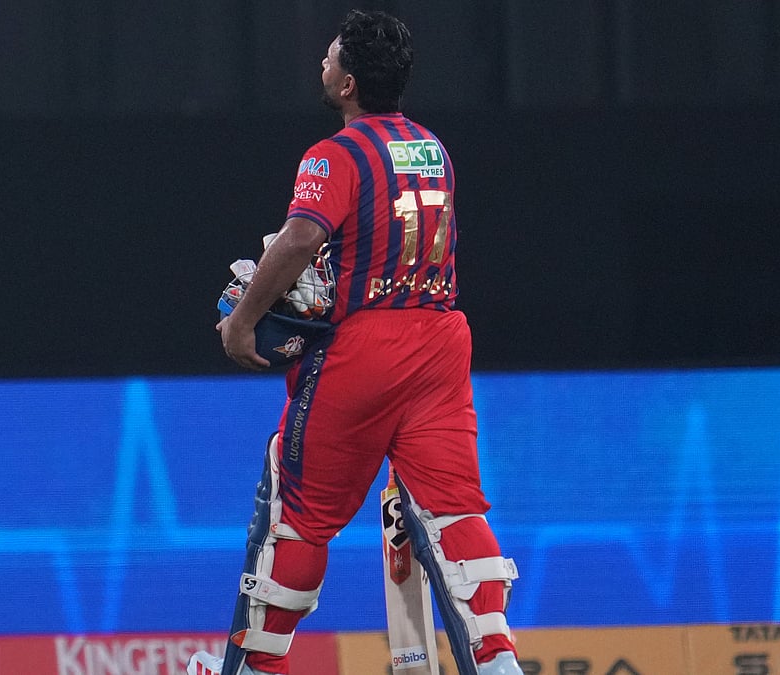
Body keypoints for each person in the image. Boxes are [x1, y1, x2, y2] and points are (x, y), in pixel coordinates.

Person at [192, 9, 523, 675]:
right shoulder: (433, 148)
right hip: (442, 341)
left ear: (348, 85)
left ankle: (256, 664)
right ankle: (496, 659)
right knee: (453, 505)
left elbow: (302, 238)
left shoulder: (333, 154)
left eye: (329, 55)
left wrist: (246, 320)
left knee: (299, 508)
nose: (322, 61)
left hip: (367, 347)